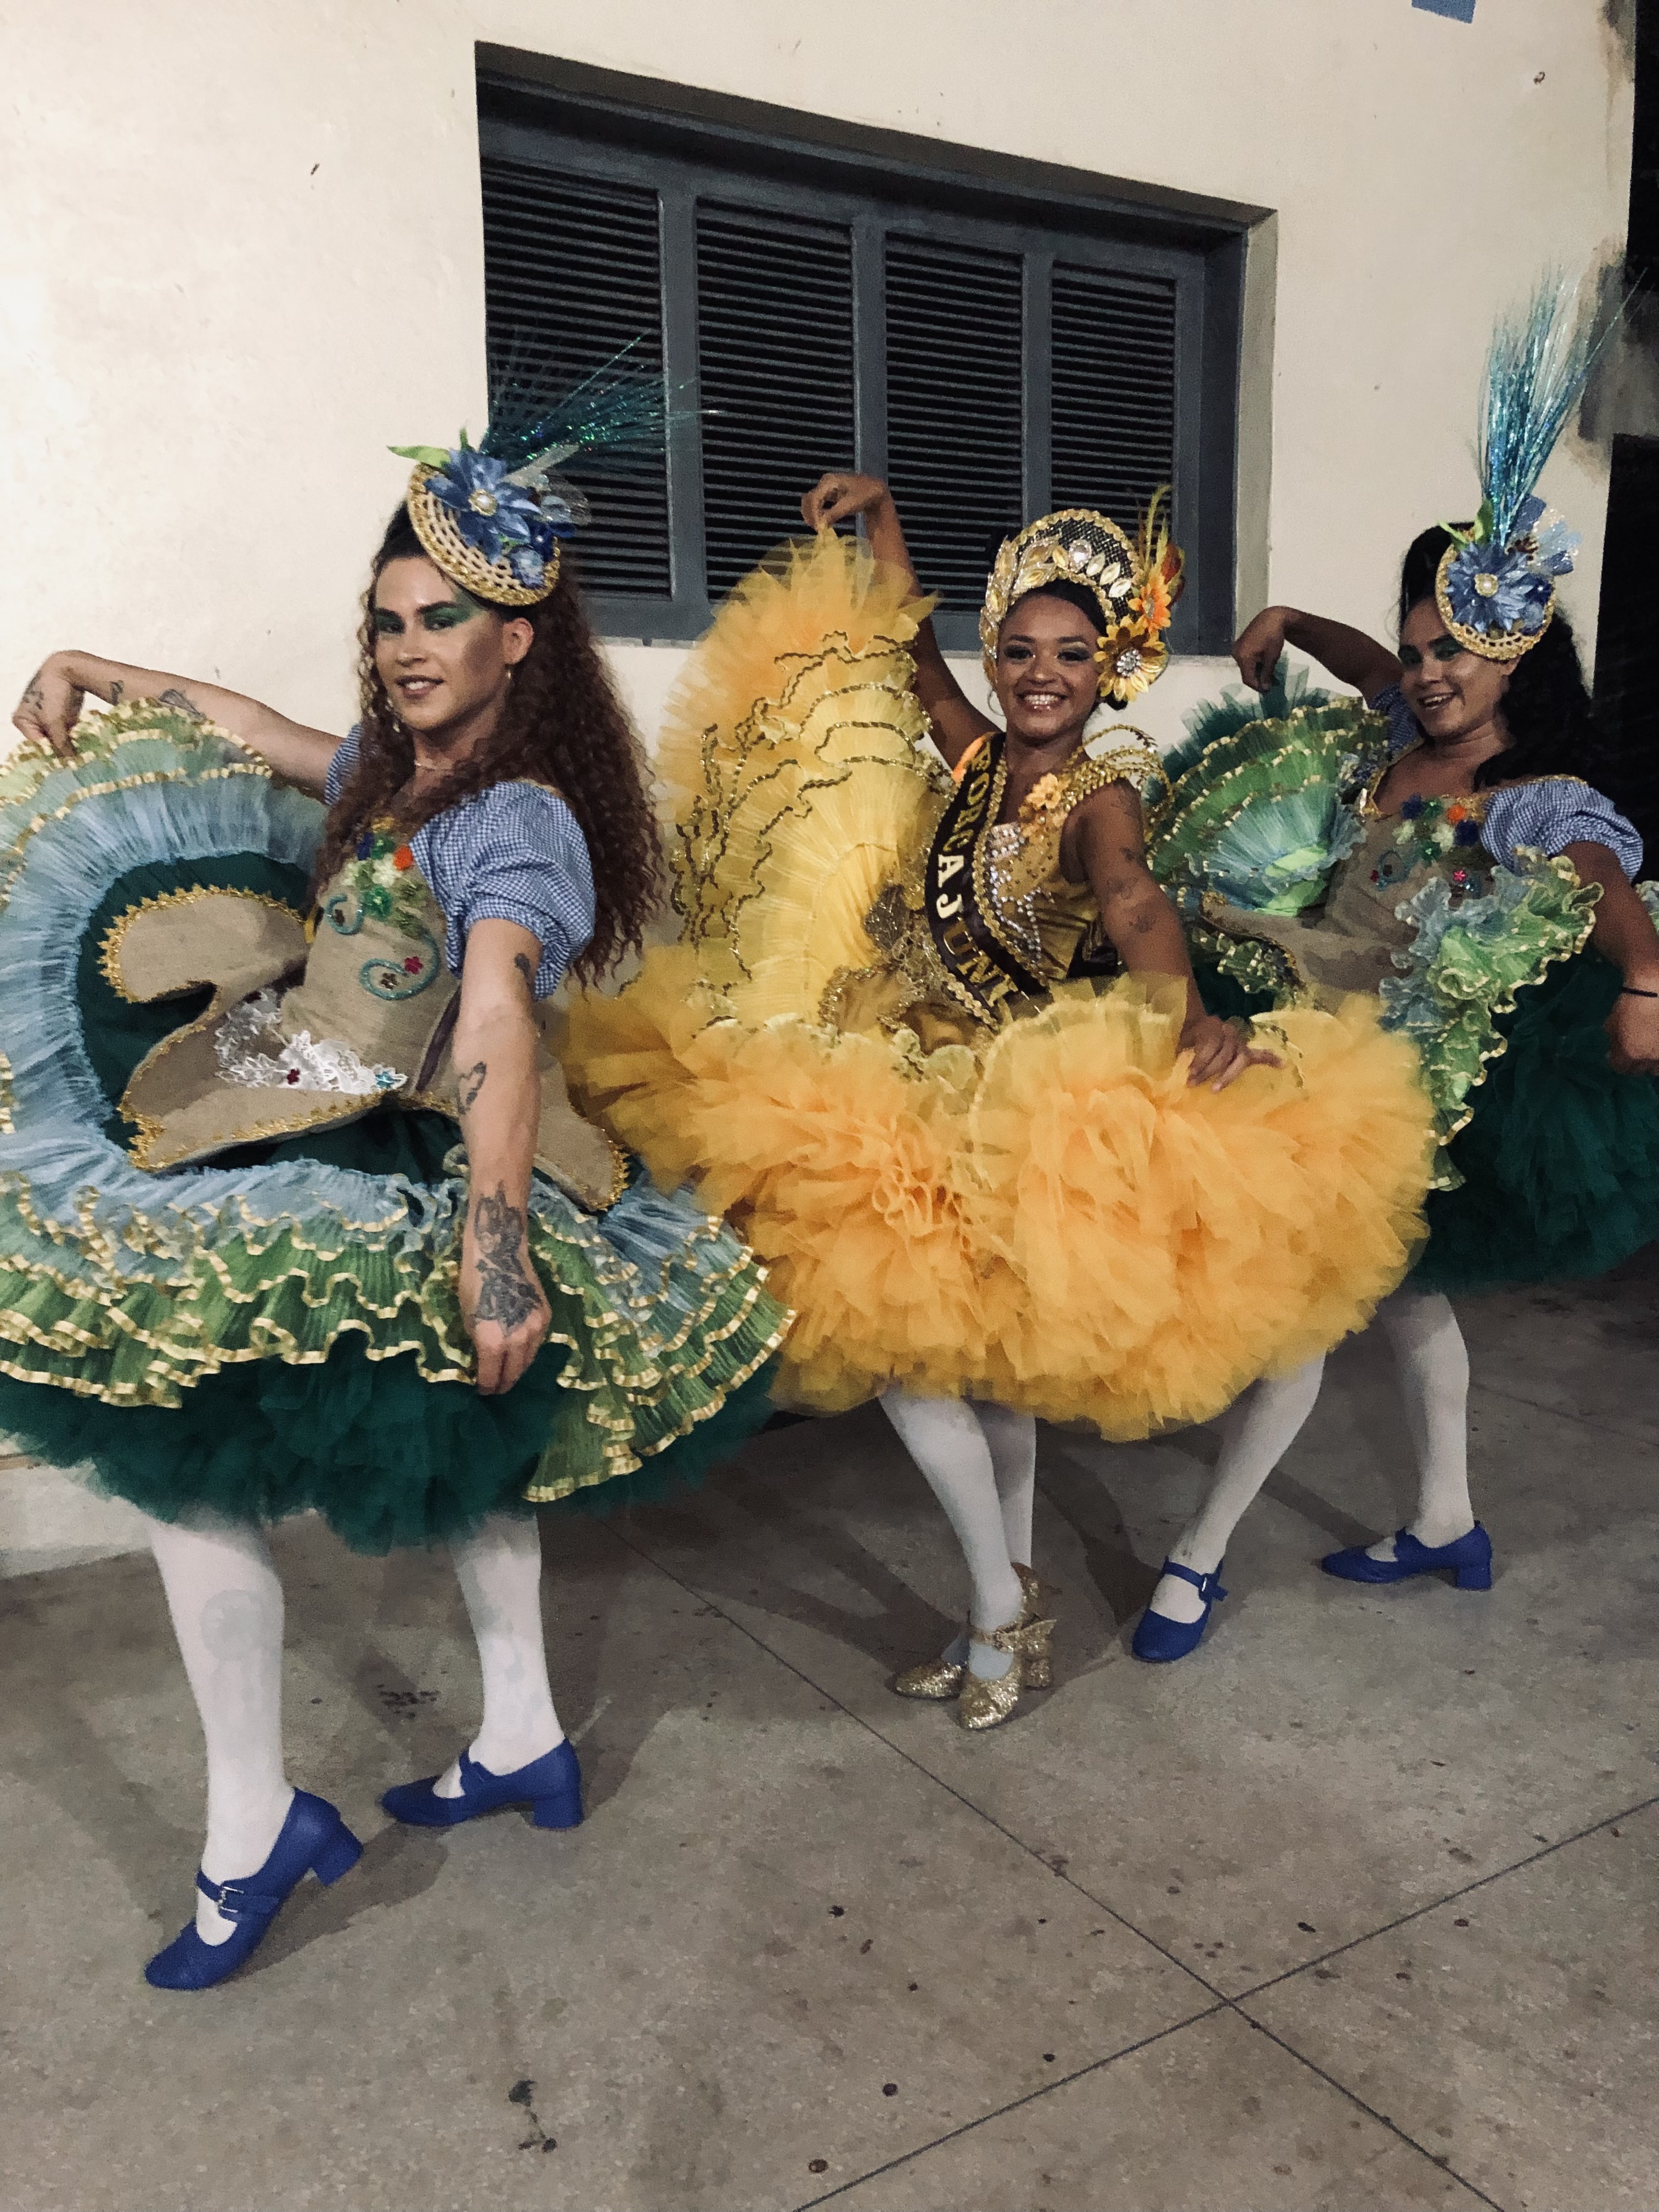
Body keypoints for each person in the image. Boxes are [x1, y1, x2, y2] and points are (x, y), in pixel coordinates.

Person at [2, 386, 788, 1988]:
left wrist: (495, 1249)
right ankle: (524, 1734)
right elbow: (255, 728)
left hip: (413, 1151)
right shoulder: (393, 766)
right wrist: (96, 661)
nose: (409, 647)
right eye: (388, 621)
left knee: (195, 1450)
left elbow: (495, 1015)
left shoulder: (522, 819)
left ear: (520, 642)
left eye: (444, 620)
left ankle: (252, 1830)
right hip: (292, 1100)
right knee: (447, 1456)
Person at [565, 473, 1436, 1728]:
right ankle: (1002, 1610)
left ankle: (995, 1613)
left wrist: (1188, 1017)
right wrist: (885, 525)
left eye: (1072, 654)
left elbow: (1134, 902)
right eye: (1021, 650)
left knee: (912, 1366)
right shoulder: (977, 760)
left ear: (1108, 670)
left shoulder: (1104, 797)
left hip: (1004, 1103)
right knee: (970, 1377)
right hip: (904, 1062)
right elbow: (915, 657)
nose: (1042, 674)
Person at [1135, 278, 1659, 1654]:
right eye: (1424, 648)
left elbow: (1604, 885)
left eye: (1460, 653)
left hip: (1392, 1089)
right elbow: (1369, 661)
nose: (1430, 674)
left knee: (1308, 1312)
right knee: (1411, 1295)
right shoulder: (1401, 737)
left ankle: (1195, 1560)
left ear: (1520, 654)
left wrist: (1648, 983)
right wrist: (1295, 619)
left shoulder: (1532, 797)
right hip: (1306, 1021)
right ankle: (1447, 1522)